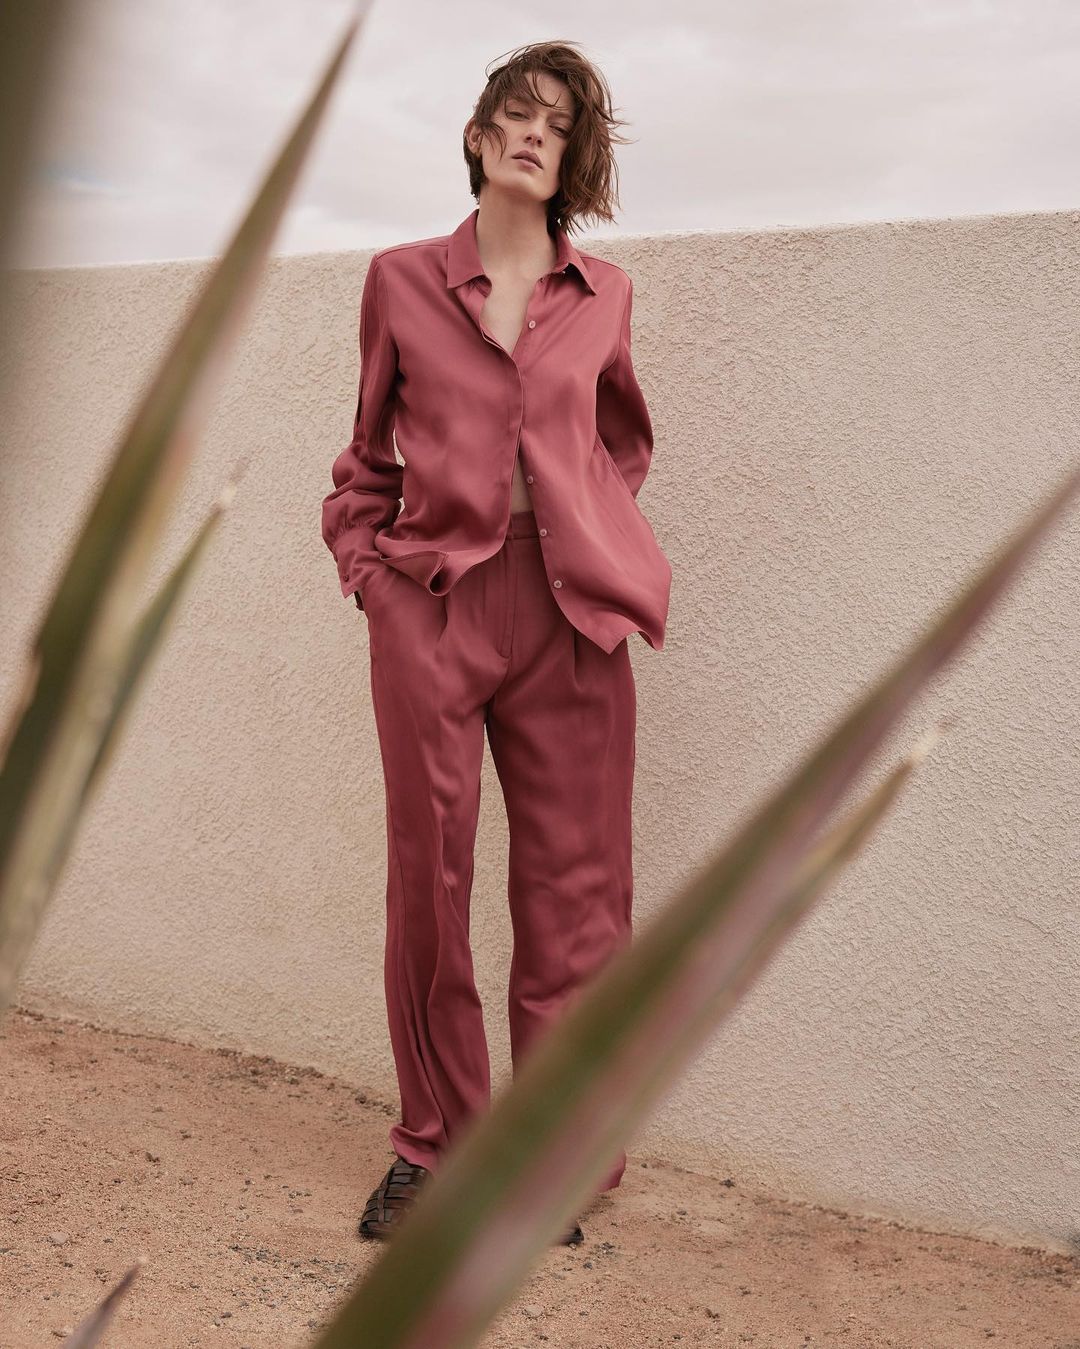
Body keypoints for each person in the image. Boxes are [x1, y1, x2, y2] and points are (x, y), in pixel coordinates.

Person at [320, 40, 671, 1247]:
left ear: (575, 160)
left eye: (559, 126)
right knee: (430, 880)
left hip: (570, 613)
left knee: (580, 895)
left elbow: (620, 444)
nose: (535, 134)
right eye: (517, 114)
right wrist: (375, 580)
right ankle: (435, 1148)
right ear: (477, 137)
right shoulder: (400, 280)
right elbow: (365, 458)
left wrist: (586, 530)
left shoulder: (606, 294)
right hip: (435, 600)